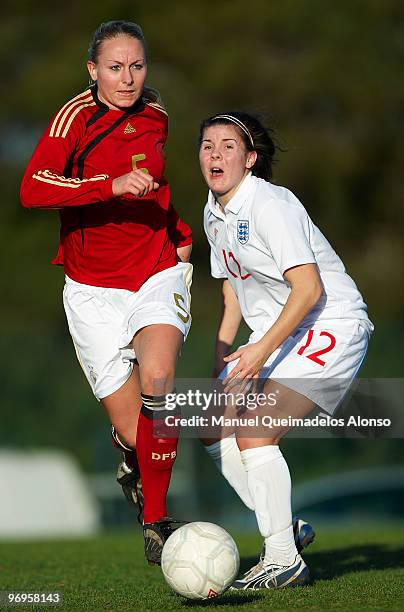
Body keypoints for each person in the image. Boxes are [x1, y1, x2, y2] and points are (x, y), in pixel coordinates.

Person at [20, 20, 193, 566]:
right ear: (92, 70)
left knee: (160, 381)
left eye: (137, 66)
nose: (128, 78)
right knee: (131, 428)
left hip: (156, 271)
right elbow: (33, 188)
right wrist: (106, 187)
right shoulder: (75, 118)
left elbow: (158, 182)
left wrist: (180, 234)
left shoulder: (157, 114)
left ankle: (157, 523)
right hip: (92, 288)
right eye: (115, 67)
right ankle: (130, 459)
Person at [198, 112, 373, 589]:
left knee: (255, 432)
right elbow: (232, 288)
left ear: (250, 159)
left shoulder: (269, 204)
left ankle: (283, 560)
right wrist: (222, 352)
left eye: (228, 146)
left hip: (331, 321)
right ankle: (285, 531)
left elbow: (309, 288)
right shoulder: (214, 212)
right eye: (208, 145)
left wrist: (259, 350)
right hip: (284, 330)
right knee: (211, 426)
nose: (215, 154)